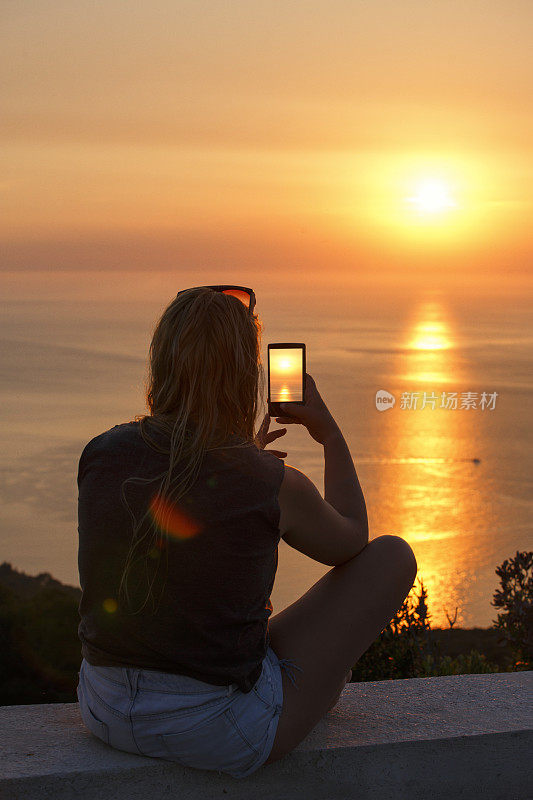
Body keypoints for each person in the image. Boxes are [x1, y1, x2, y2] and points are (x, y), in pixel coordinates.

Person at [76, 285, 417, 779]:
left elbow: (176, 514)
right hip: (218, 732)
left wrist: (237, 458)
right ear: (243, 375)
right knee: (393, 556)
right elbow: (352, 540)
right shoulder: (268, 482)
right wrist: (329, 434)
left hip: (103, 709)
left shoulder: (100, 453)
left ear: (162, 362)